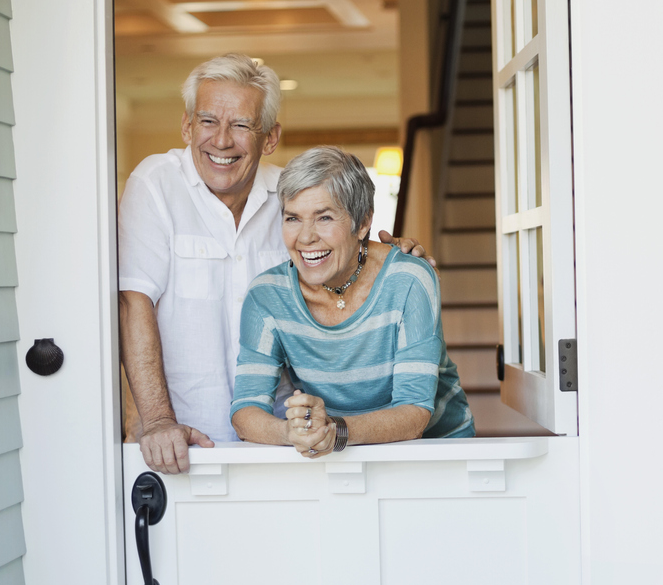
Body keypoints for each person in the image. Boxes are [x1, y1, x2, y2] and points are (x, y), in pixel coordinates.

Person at [118, 54, 431, 473]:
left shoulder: (289, 202)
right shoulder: (154, 185)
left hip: (286, 439)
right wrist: (156, 419)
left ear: (269, 138)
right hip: (183, 437)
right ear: (187, 126)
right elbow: (132, 303)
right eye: (208, 121)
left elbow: (343, 261)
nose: (222, 140)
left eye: (242, 125)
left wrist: (398, 258)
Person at [231, 147, 474, 455]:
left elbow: (414, 413)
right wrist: (291, 433)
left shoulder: (409, 280)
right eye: (293, 218)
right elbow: (245, 412)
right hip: (337, 453)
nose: (305, 237)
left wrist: (335, 432)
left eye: (324, 217)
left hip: (435, 451)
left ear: (362, 223)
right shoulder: (266, 296)